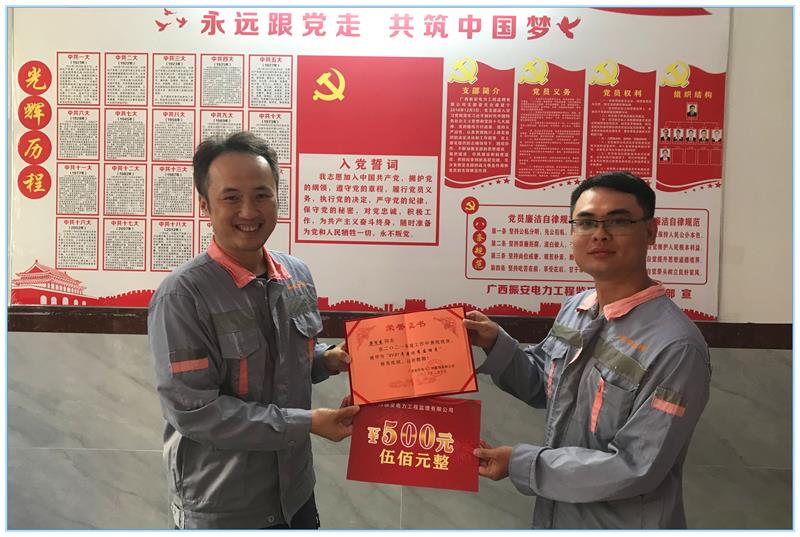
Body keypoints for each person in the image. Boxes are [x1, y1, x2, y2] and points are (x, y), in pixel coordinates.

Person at [464, 171, 711, 529]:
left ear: (651, 231)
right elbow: (544, 385)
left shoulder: (676, 347)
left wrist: (523, 464)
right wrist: (494, 342)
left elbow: (636, 466)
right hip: (556, 517)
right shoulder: (576, 309)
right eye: (586, 222)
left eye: (618, 221)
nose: (600, 234)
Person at [148, 131, 360, 529]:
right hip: (225, 506)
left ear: (277, 197)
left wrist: (327, 360)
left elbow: (287, 357)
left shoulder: (296, 274)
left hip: (295, 493)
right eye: (231, 197)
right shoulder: (182, 296)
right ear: (205, 204)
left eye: (262, 195)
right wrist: (307, 423)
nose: (249, 211)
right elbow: (195, 412)